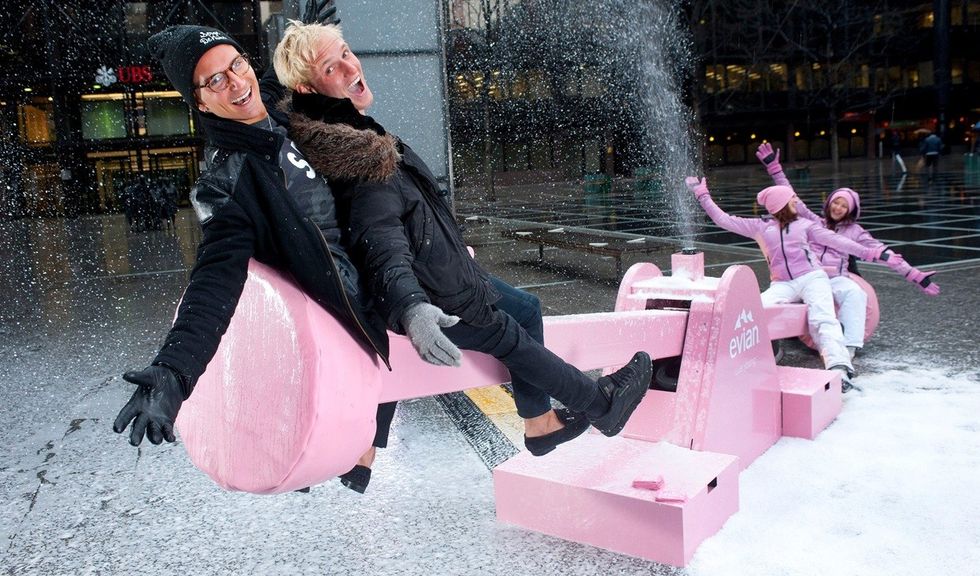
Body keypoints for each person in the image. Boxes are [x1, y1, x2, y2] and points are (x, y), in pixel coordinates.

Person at [272, 21, 652, 470]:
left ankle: (539, 423)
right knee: (507, 335)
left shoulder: (343, 131)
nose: (350, 67)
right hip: (432, 294)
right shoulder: (356, 153)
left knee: (525, 308)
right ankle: (603, 406)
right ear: (306, 85)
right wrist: (412, 306)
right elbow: (380, 241)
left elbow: (405, 214)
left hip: (440, 270)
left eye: (347, 53)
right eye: (331, 66)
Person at [111, 21, 396, 499]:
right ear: (200, 102)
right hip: (352, 302)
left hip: (379, 263)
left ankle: (363, 455)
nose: (236, 82)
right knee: (504, 322)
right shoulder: (226, 183)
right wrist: (174, 373)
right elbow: (214, 282)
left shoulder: (282, 121)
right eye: (215, 80)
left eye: (236, 65)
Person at [685, 175, 901, 392]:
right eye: (792, 199)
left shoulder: (805, 226)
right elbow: (723, 220)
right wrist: (703, 196)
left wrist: (870, 253)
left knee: (823, 318)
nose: (796, 201)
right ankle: (734, 357)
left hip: (813, 278)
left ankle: (840, 368)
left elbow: (839, 241)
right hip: (783, 283)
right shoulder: (760, 226)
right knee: (753, 311)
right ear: (781, 204)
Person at [755, 143, 940, 359]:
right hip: (807, 276)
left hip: (835, 277)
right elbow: (789, 195)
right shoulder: (814, 221)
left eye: (844, 205)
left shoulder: (856, 232)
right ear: (829, 204)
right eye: (836, 203)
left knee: (855, 293)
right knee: (778, 299)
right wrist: (774, 169)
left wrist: (916, 276)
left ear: (851, 210)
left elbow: (884, 253)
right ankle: (768, 340)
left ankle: (850, 346)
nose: (838, 208)